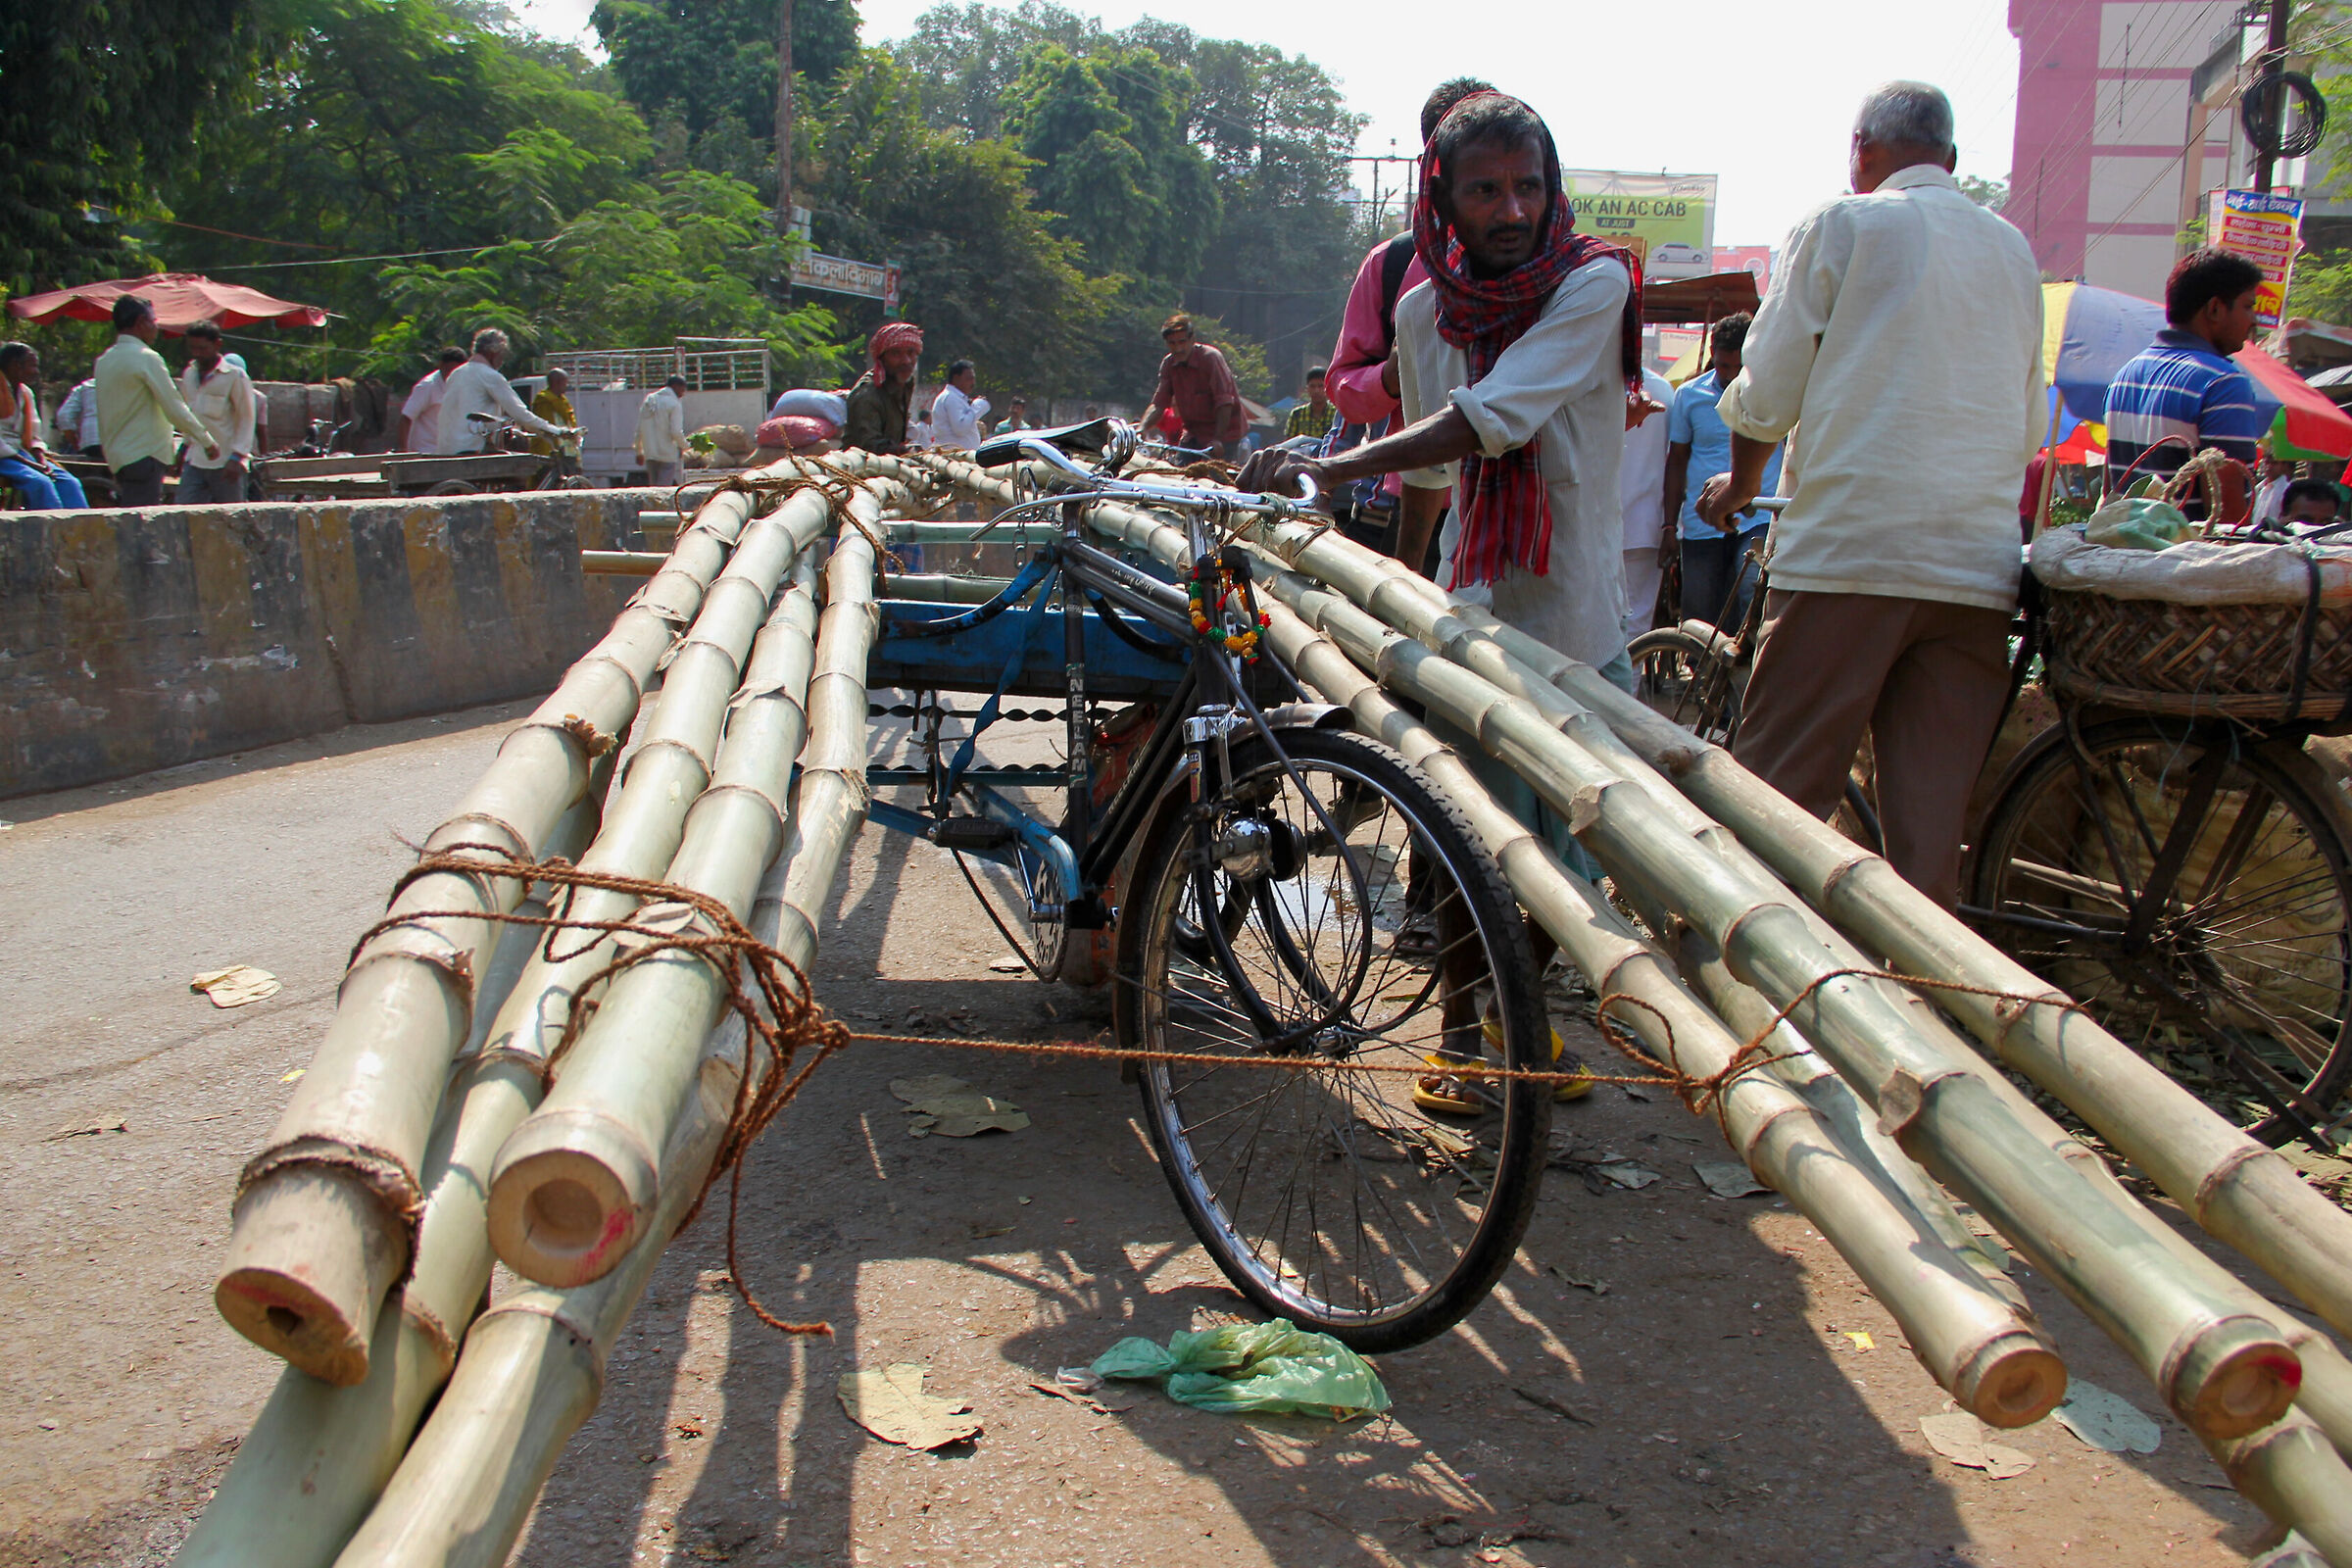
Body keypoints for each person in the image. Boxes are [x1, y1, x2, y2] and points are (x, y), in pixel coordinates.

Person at [1693, 81, 2042, 906]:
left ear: (1861, 151)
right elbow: (2028, 425)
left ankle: (1749, 1001)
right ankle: (1929, 1001)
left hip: (1851, 559)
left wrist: (1742, 486)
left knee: (1774, 810)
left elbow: (1766, 391)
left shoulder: (1842, 225)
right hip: (1975, 573)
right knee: (1927, 842)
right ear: (1951, 161)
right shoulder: (2013, 250)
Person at [1326, 76, 1499, 565]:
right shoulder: (1397, 270)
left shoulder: (1556, 277)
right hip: (1400, 505)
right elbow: (1345, 388)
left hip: (1509, 511)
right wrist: (1394, 374)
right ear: (1433, 169)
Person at [2104, 249, 2266, 490]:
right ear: (2215, 309)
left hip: (2125, 527)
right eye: (2248, 306)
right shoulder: (2223, 383)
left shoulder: (2125, 375)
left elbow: (2111, 490)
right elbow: (2225, 516)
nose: (2254, 320)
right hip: (2186, 529)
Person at [1666, 314, 1784, 628]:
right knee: (1699, 616)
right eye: (1723, 366)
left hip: (1757, 516)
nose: (1731, 375)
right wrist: (1668, 526)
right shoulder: (1688, 396)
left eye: (1738, 367)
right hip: (1702, 521)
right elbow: (1676, 461)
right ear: (1712, 356)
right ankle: (1700, 678)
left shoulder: (1771, 395)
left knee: (1751, 595)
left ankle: (1747, 676)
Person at [95, 295, 219, 507]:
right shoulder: (146, 357)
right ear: (141, 322)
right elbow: (174, 408)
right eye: (154, 321)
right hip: (144, 455)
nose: (156, 327)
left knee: (130, 518)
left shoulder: (104, 360)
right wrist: (206, 440)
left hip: (118, 457)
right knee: (140, 526)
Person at [440, 329, 564, 457]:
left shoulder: (456, 373)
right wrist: (556, 431)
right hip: (474, 450)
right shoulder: (490, 375)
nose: (502, 360)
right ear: (493, 352)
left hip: (446, 451)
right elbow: (521, 415)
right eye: (502, 354)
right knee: (519, 471)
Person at [1141, 314, 1246, 459]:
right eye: (1172, 343)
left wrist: (1218, 439)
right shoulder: (1169, 364)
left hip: (1225, 434)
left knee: (1214, 477)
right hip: (1193, 433)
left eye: (1182, 342)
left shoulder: (1210, 358)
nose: (1178, 348)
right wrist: (1143, 428)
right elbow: (1159, 403)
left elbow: (1225, 402)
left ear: (1192, 340)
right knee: (1180, 473)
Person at [0, 343, 90, 510]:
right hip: (5, 456)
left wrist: (41, 459)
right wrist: (33, 465)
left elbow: (34, 433)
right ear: (15, 365)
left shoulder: (26, 393)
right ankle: (52, 533)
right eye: (32, 365)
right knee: (40, 483)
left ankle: (80, 533)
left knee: (69, 483)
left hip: (22, 454)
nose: (36, 371)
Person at [1621, 365, 1675, 639]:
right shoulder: (1664, 389)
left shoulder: (1589, 380)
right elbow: (1673, 462)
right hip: (1644, 525)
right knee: (1635, 628)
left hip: (1599, 526)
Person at [175, 321, 257, 504]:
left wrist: (237, 457)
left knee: (232, 519)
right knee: (184, 515)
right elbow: (189, 415)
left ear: (217, 345)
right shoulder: (189, 374)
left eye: (202, 348)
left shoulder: (235, 376)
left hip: (227, 463)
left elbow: (247, 418)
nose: (197, 353)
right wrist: (183, 448)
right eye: (193, 348)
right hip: (195, 459)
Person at [843, 321, 924, 455]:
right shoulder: (867, 395)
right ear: (882, 359)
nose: (907, 361)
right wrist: (903, 450)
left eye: (911, 353)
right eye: (896, 354)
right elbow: (868, 445)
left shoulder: (904, 384)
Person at [397, 347, 466, 453]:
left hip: (450, 452)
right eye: (449, 370)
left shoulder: (462, 385)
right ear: (441, 365)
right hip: (425, 452)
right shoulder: (427, 386)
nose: (452, 375)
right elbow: (406, 418)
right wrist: (403, 451)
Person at [630, 374, 688, 483]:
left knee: (654, 491)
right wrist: (685, 446)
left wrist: (639, 452)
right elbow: (676, 431)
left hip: (650, 454)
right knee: (663, 492)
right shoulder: (674, 404)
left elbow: (639, 429)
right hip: (667, 455)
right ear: (675, 386)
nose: (683, 393)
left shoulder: (649, 400)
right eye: (683, 389)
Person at [930, 359, 991, 451]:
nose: (973, 383)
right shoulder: (951, 398)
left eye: (973, 379)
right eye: (969, 379)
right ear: (956, 378)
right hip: (954, 457)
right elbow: (961, 428)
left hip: (959, 456)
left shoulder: (954, 397)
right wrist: (978, 406)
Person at [53, 364, 102, 460]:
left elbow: (64, 416)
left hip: (91, 442)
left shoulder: (85, 387)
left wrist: (76, 444)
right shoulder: (132, 386)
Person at [530, 368, 576, 459]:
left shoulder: (562, 400)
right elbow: (544, 428)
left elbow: (569, 421)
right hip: (550, 451)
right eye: (565, 383)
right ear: (557, 383)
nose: (567, 386)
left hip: (567, 450)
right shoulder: (543, 400)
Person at [1284, 366, 1335, 443]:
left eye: (1320, 386)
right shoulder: (1297, 414)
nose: (1316, 391)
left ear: (1327, 387)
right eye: (1312, 386)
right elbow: (1289, 443)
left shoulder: (1336, 414)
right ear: (1307, 389)